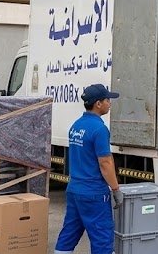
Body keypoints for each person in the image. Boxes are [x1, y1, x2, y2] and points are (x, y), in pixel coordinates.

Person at [54, 84, 121, 254]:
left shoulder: (76, 126)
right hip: (94, 193)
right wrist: (115, 189)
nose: (110, 103)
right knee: (102, 239)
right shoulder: (99, 129)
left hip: (74, 190)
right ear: (98, 104)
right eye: (107, 100)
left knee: (69, 234)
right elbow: (105, 163)